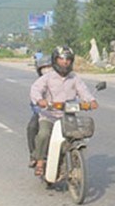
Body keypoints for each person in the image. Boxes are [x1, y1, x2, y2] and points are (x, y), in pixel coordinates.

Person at [30, 45, 98, 176]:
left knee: (74, 138)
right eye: (61, 59)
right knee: (43, 134)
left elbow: (83, 91)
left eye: (68, 59)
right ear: (55, 60)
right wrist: (40, 100)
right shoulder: (48, 77)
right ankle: (39, 161)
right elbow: (35, 89)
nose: (65, 62)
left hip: (68, 116)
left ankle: (70, 159)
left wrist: (91, 101)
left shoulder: (74, 78)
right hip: (49, 115)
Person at [26, 55, 52, 168]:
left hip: (62, 113)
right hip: (43, 114)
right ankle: (34, 155)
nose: (47, 70)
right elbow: (34, 101)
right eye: (44, 68)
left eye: (50, 67)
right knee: (32, 127)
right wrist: (41, 107)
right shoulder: (38, 85)